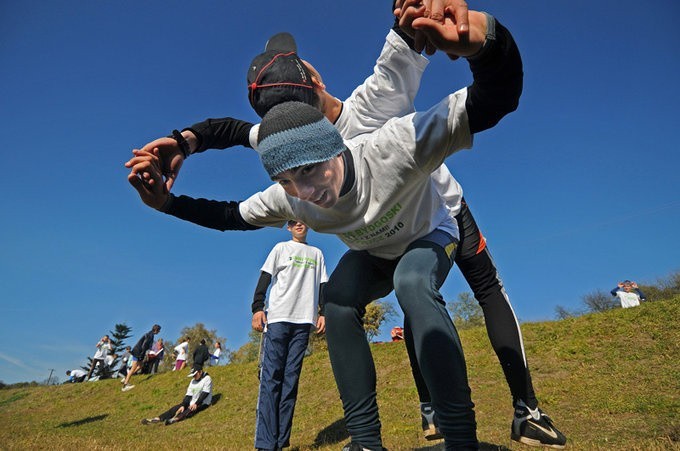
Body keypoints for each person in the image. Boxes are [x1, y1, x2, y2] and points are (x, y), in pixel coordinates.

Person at [131, 3, 565, 448]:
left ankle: (497, 420)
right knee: (337, 298)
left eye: (311, 166)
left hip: (435, 216)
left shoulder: (387, 130)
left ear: (317, 94)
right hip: (376, 245)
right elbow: (232, 173)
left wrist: (484, 38)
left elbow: (460, 70)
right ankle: (365, 439)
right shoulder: (288, 161)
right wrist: (176, 167)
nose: (305, 188)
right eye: (287, 175)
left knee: (423, 284)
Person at [251, 220, 328, 450]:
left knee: (290, 381)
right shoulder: (280, 249)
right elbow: (264, 278)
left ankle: (281, 441)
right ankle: (265, 443)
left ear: (309, 225)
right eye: (293, 222)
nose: (298, 224)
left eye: (302, 220)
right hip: (277, 320)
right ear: (288, 227)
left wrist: (323, 312)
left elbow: (323, 286)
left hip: (303, 322)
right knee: (271, 379)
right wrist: (257, 308)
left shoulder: (317, 254)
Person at [140, 364, 213, 426]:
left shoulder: (207, 379)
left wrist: (196, 404)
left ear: (200, 372)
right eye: (193, 375)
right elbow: (188, 395)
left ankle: (175, 419)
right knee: (176, 408)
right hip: (192, 402)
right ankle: (157, 419)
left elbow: (205, 393)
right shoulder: (192, 381)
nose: (194, 377)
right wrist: (183, 405)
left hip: (203, 403)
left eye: (195, 375)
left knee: (189, 410)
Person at [122, 324, 161, 391]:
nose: (159, 332)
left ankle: (126, 377)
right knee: (133, 368)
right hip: (138, 352)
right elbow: (144, 346)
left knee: (140, 366)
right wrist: (141, 355)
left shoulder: (150, 334)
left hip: (138, 352)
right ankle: (125, 386)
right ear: (156, 330)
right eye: (159, 331)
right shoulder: (150, 335)